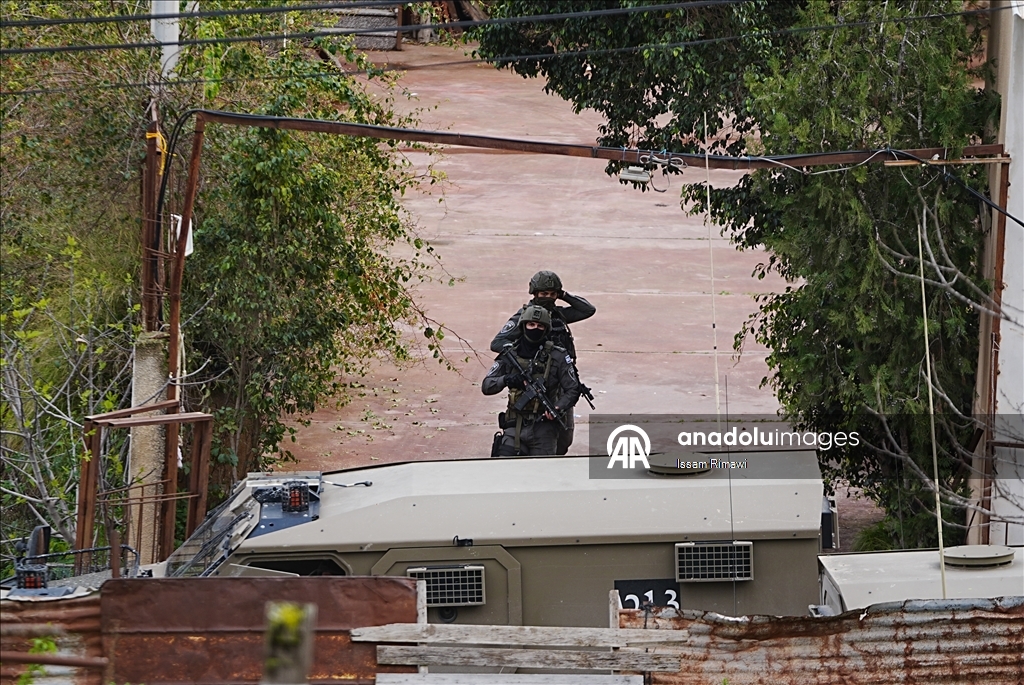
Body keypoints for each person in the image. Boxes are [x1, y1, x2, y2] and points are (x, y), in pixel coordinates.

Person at [489, 271, 595, 454]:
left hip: (561, 378)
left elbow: (588, 310)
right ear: (534, 293)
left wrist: (564, 295)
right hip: (537, 379)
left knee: (564, 437)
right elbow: (498, 343)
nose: (548, 298)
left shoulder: (558, 315)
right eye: (543, 294)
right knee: (533, 432)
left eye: (552, 294)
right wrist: (522, 357)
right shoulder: (524, 317)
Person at [482, 305, 581, 457]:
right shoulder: (510, 353)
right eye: (531, 325)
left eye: (540, 326)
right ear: (523, 326)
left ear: (546, 329)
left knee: (541, 475)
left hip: (544, 429)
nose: (535, 329)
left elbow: (573, 388)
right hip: (514, 426)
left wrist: (557, 408)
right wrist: (507, 379)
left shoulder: (558, 356)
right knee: (503, 470)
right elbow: (487, 386)